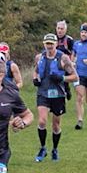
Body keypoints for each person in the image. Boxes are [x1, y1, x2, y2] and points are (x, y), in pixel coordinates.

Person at [32, 33, 77, 161]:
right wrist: (35, 79)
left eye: (52, 43)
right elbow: (35, 71)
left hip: (58, 94)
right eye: (47, 43)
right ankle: (42, 148)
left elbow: (75, 77)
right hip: (43, 93)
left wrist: (62, 78)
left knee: (56, 125)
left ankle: (55, 149)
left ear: (56, 44)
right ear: (44, 44)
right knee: (41, 121)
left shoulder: (63, 59)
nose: (49, 46)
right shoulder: (39, 57)